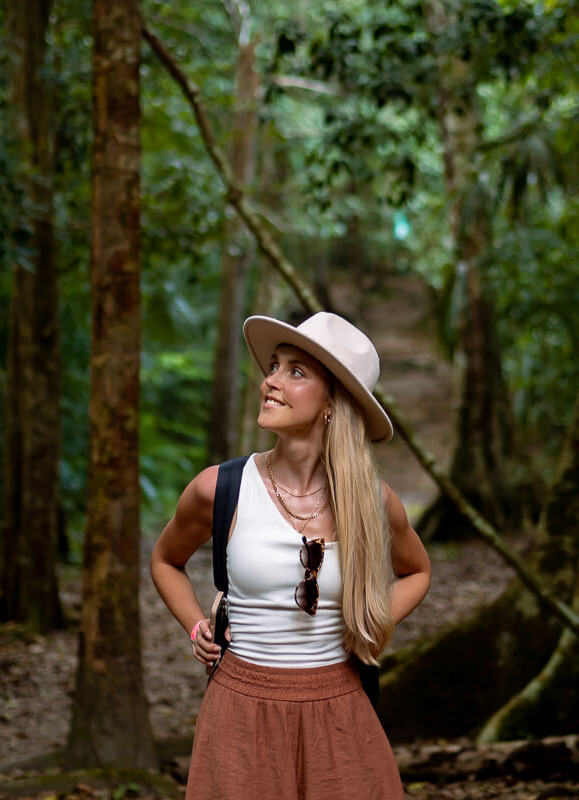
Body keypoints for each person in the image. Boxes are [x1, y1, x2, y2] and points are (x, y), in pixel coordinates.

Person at [150, 311, 431, 800]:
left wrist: (370, 623)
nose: (271, 381)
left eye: (295, 372)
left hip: (340, 711)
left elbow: (418, 572)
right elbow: (164, 561)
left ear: (332, 403)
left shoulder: (370, 500)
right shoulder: (222, 488)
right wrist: (197, 627)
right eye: (274, 366)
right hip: (240, 710)